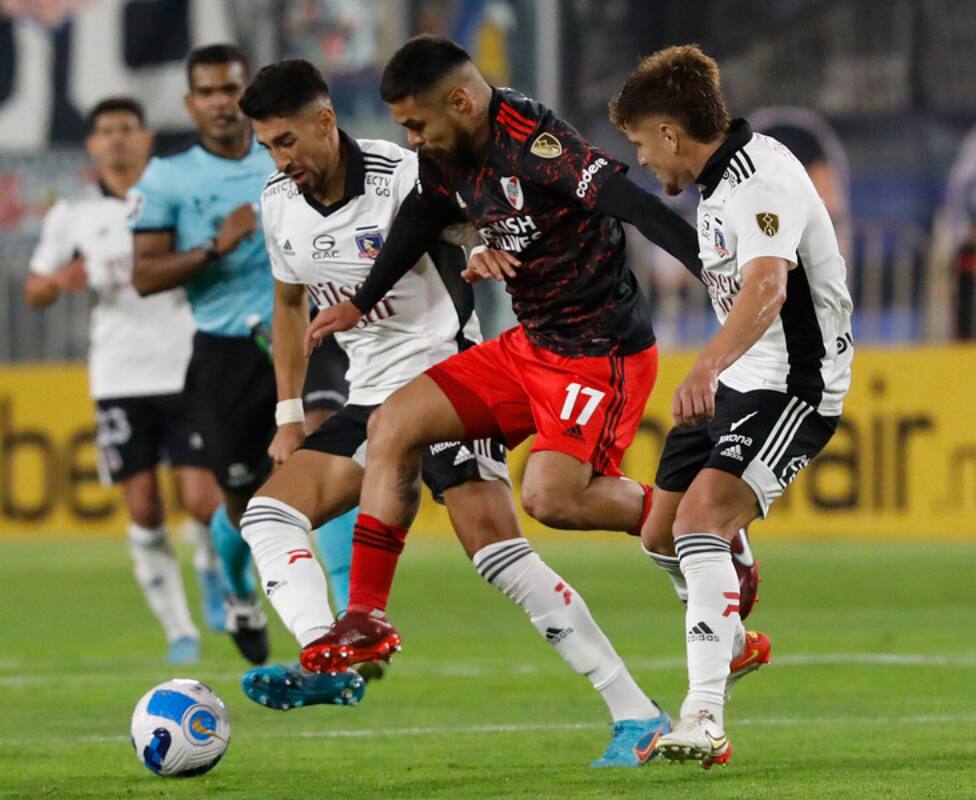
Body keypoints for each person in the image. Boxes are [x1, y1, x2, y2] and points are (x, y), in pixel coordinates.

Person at [233, 58, 675, 766]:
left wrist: (486, 247)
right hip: (369, 395)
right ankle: (328, 655)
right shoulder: (279, 202)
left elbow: (490, 212)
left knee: (500, 552)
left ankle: (636, 709)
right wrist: (289, 412)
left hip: (443, 372)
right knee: (267, 515)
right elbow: (288, 305)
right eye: (266, 147)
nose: (280, 160)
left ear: (325, 121)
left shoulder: (405, 170)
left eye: (286, 141)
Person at [301, 34, 756, 692]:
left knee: (551, 498)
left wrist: (715, 277)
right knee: (392, 424)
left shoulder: (538, 144)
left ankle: (706, 530)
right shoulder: (446, 152)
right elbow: (424, 213)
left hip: (598, 353)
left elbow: (637, 208)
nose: (411, 139)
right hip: (531, 345)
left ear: (461, 102)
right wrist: (360, 302)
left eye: (416, 125)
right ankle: (366, 616)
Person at [609, 44, 853, 767]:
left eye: (641, 143)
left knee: (699, 523)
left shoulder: (761, 178)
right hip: (742, 376)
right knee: (660, 534)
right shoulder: (716, 185)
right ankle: (736, 641)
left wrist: (706, 365)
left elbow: (768, 287)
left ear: (671, 133)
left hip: (795, 383)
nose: (643, 158)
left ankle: (703, 718)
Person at [128, 44, 356, 664]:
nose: (221, 103)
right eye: (207, 92)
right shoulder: (169, 178)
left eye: (230, 89)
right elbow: (144, 275)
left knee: (327, 447)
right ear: (190, 104)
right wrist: (214, 249)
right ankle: (236, 585)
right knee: (242, 500)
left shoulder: (289, 155)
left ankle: (347, 612)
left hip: (309, 333)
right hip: (225, 352)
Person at [25, 96, 227, 664]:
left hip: (186, 364)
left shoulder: (175, 200)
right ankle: (179, 631)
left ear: (145, 139)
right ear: (93, 145)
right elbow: (35, 288)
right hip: (119, 375)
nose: (116, 138)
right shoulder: (72, 215)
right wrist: (58, 282)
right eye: (106, 130)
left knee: (203, 501)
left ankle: (212, 567)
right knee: (143, 508)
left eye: (127, 128)